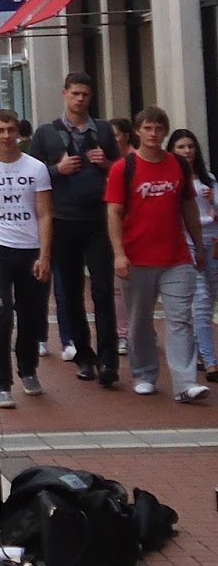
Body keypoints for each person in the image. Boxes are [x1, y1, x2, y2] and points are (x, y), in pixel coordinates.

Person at [107, 106, 209, 403]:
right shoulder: (123, 168)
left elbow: (188, 206)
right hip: (137, 257)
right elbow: (113, 212)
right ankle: (145, 373)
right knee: (140, 320)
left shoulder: (178, 165)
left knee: (180, 319)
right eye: (148, 128)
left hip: (176, 257)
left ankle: (185, 382)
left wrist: (198, 246)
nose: (154, 134)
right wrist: (119, 254)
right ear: (137, 131)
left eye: (159, 129)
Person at [31, 72, 121, 382]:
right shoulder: (46, 134)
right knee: (69, 292)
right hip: (63, 221)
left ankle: (109, 361)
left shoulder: (105, 131)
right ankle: (84, 355)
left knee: (102, 290)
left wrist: (106, 164)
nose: (80, 99)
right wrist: (58, 168)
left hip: (98, 221)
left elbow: (120, 172)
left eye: (85, 94)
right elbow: (31, 175)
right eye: (75, 93)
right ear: (64, 94)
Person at [0, 109, 53, 410]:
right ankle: (0, 382)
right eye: (0, 130)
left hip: (30, 250)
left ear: (19, 132)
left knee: (32, 315)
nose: (6, 136)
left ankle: (28, 369)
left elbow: (44, 214)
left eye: (11, 130)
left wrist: (45, 254)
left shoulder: (37, 168)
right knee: (1, 315)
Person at [170, 129, 218, 381]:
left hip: (213, 244)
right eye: (181, 147)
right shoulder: (175, 179)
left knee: (209, 302)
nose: (187, 151)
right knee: (199, 301)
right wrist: (206, 217)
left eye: (190, 146)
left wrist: (213, 204)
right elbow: (178, 216)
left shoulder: (208, 178)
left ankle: (200, 351)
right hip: (188, 244)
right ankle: (211, 362)